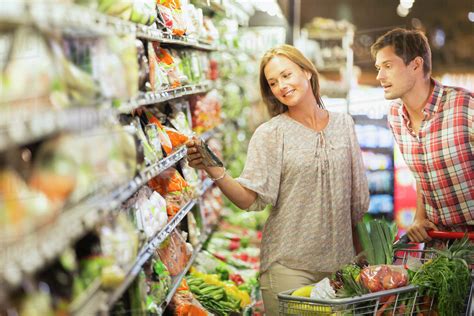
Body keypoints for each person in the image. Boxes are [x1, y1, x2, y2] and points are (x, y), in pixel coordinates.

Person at [187, 44, 369, 315]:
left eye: (286, 75)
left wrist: (363, 256)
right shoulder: (270, 133)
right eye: (273, 82)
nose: (281, 86)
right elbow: (250, 199)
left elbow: (354, 204)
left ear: (307, 72)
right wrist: (215, 171)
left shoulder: (344, 125)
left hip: (341, 271)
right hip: (289, 268)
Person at [371, 28, 473, 243]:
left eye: (388, 66)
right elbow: (423, 173)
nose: (379, 76)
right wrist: (419, 217)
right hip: (438, 242)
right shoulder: (395, 116)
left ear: (416, 65)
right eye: (379, 68)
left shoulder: (465, 107)